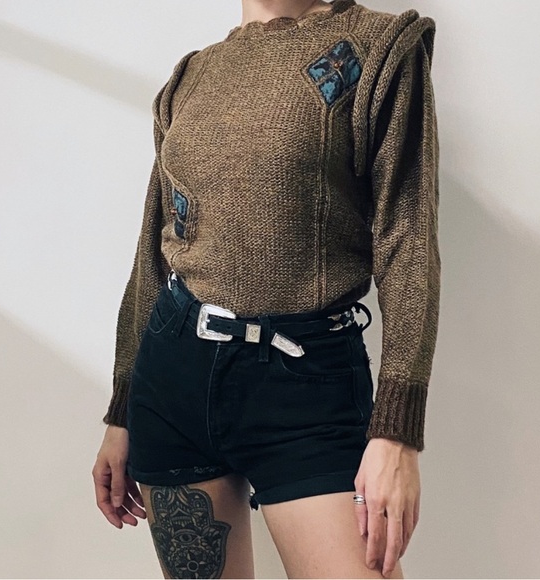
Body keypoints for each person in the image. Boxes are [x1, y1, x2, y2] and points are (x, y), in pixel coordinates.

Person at [92, 0, 441, 577]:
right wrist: (122, 410)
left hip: (308, 391)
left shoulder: (377, 48)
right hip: (174, 380)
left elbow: (408, 241)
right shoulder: (193, 74)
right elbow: (156, 246)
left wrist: (397, 433)